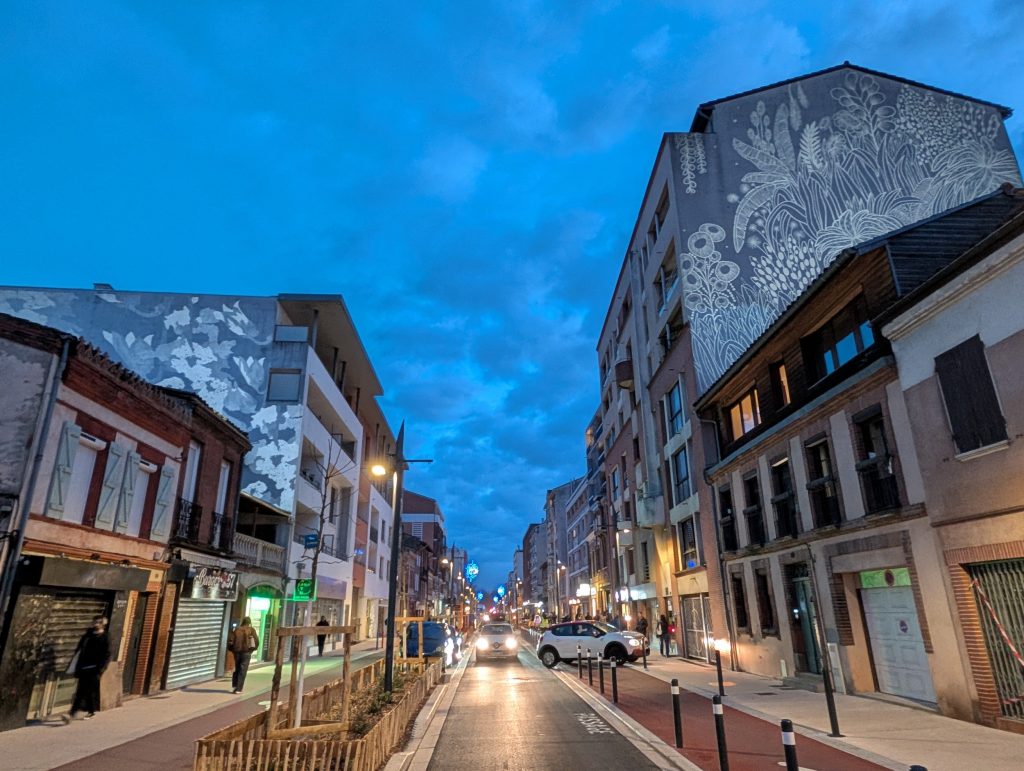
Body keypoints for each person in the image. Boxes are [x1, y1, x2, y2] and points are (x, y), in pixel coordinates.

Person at [64, 615, 110, 722]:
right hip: (83, 666)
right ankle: (83, 711)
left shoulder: (105, 637)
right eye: (94, 622)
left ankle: (75, 713)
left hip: (95, 668)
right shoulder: (87, 636)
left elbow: (107, 654)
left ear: (103, 623)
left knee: (86, 690)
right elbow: (79, 650)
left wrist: (101, 668)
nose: (96, 624)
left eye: (98, 622)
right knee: (82, 690)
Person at [228, 617, 260, 693]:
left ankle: (235, 685)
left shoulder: (237, 630)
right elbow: (256, 642)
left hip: (237, 652)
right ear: (249, 622)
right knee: (243, 670)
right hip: (246, 652)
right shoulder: (251, 630)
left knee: (237, 668)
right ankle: (239, 689)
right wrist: (252, 650)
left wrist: (233, 650)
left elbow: (230, 641)